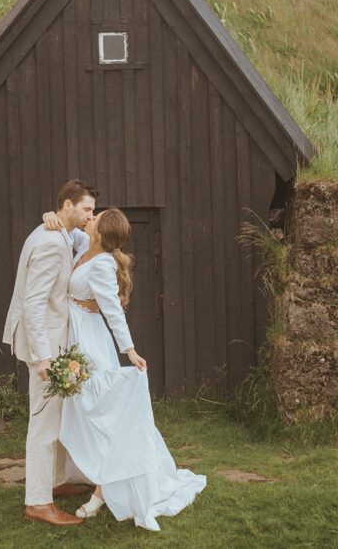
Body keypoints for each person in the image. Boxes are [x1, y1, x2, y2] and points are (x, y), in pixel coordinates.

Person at [43, 207, 207, 531]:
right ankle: (97, 479)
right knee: (87, 418)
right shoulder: (84, 243)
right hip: (74, 337)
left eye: (96, 216)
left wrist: (129, 350)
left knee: (103, 421)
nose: (90, 217)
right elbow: (66, 225)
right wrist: (51, 215)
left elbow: (113, 312)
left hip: (90, 345)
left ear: (101, 233)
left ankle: (102, 493)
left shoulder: (102, 263)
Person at [2, 179, 99, 526]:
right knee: (43, 423)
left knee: (56, 418)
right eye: (87, 209)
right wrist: (44, 356)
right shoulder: (50, 242)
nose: (92, 215)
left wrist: (53, 216)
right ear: (68, 205)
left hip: (54, 342)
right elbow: (34, 303)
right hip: (45, 346)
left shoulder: (60, 234)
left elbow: (82, 240)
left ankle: (56, 482)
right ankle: (39, 502)